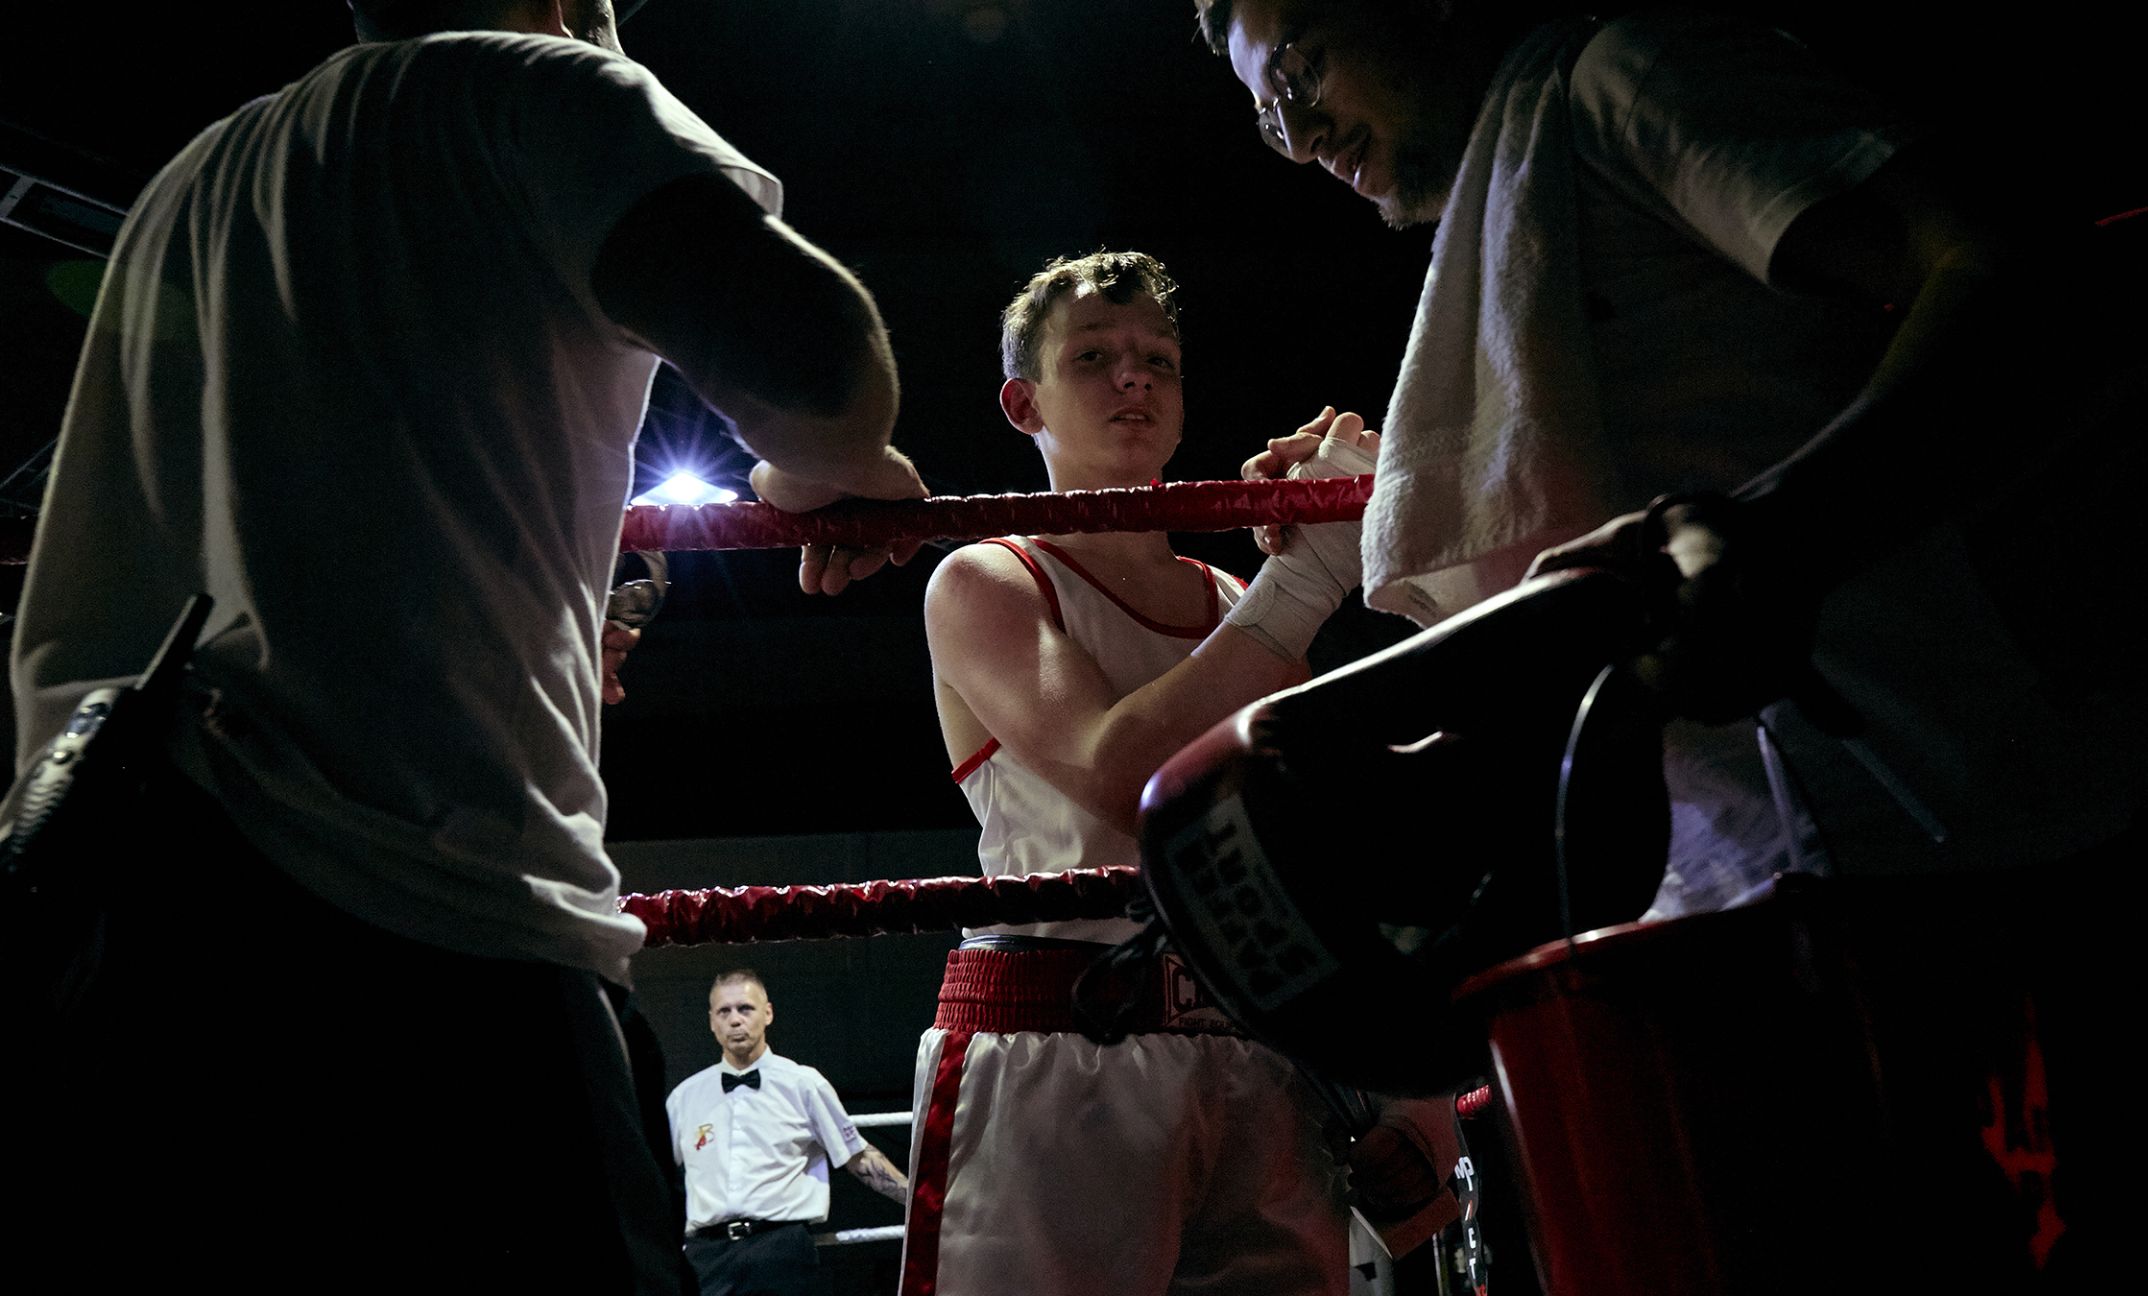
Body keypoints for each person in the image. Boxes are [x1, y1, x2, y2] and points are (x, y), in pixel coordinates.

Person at [3, 0, 921, 1286]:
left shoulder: (195, 178)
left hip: (136, 931)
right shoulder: (545, 97)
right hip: (431, 928)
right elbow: (828, 377)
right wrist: (847, 462)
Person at [1180, 0, 2148, 912]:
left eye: (1302, 74)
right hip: (1721, 886)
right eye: (1272, 122)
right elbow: (1643, 468)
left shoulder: (1620, 79)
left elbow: (2004, 269)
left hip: (1915, 834)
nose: (1305, 135)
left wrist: (1778, 534)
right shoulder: (1513, 222)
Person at [899, 250, 1455, 1296]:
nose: (1133, 378)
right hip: (1063, 1037)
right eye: (1096, 356)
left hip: (1257, 1051)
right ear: (1026, 402)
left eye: (1158, 358)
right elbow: (1126, 777)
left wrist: (1389, 544)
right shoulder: (987, 577)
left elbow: (1325, 825)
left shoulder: (1239, 597)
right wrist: (1305, 579)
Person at [667, 969, 910, 1296]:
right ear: (711, 1021)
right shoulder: (685, 1097)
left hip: (781, 1250)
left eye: (745, 1008)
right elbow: (652, 1177)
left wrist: (922, 1204)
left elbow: (858, 1157)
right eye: (724, 1011)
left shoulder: (803, 1083)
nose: (735, 1020)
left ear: (767, 1013)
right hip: (707, 1256)